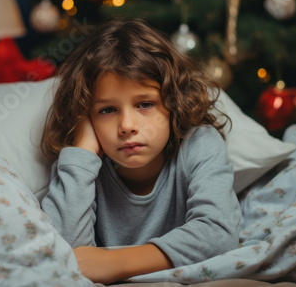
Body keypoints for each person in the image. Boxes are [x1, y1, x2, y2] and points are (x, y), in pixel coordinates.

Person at [40, 18, 242, 284]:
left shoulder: (199, 142)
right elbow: (65, 254)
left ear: (174, 103)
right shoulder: (81, 164)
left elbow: (218, 234)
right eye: (107, 110)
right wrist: (84, 151)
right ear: (86, 118)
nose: (126, 126)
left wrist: (115, 263)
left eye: (145, 104)